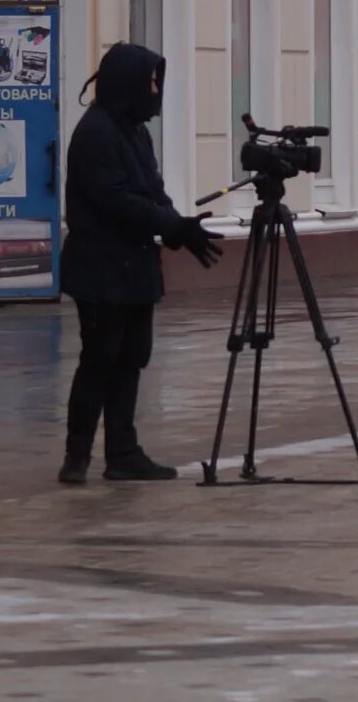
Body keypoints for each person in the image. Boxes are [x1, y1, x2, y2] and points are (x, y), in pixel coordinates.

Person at [60, 41, 223, 482]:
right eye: (151, 81)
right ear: (128, 82)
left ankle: (123, 452)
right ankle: (77, 456)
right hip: (100, 267)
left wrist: (179, 227)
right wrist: (171, 226)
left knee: (132, 356)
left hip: (134, 266)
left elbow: (151, 190)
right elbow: (117, 200)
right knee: (100, 357)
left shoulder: (135, 132)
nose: (156, 90)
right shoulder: (95, 132)